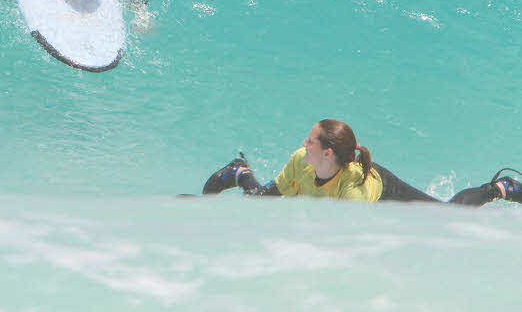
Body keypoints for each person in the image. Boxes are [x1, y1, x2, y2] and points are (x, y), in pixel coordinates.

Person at [200, 118, 522, 206]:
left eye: (310, 139)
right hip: (337, 182)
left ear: (327, 153)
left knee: (448, 217)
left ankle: (499, 188)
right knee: (258, 201)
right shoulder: (301, 160)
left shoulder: (351, 192)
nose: (303, 143)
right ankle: (239, 171)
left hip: (384, 189)